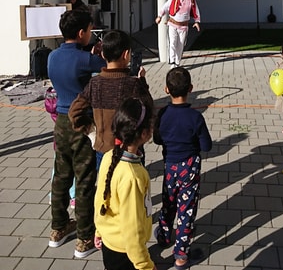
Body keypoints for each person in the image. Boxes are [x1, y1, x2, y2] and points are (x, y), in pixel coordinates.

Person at [47, 9, 106, 258]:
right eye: (90, 30)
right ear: (82, 33)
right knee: (83, 179)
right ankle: (84, 237)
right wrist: (97, 52)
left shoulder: (52, 56)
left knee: (61, 175)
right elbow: (106, 64)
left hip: (60, 121)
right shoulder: (85, 59)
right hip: (82, 122)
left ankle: (58, 228)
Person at [153, 67, 212, 270]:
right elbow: (206, 146)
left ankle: (163, 235)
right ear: (191, 89)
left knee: (168, 201)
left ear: (166, 89)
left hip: (170, 164)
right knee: (186, 210)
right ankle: (181, 255)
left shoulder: (163, 114)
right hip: (190, 167)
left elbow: (157, 139)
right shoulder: (195, 118)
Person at [68, 29, 153, 170]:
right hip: (130, 150)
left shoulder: (94, 84)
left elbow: (74, 112)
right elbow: (149, 109)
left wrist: (92, 132)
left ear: (102, 54)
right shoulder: (134, 85)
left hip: (103, 150)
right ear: (126, 55)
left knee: (106, 188)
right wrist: (142, 82)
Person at [94, 98, 157, 270]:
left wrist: (99, 230)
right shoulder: (133, 177)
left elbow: (100, 197)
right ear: (144, 134)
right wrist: (145, 266)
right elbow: (133, 229)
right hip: (125, 252)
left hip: (109, 241)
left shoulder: (109, 156)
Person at [155, 0, 201, 68]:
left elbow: (196, 11)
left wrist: (197, 22)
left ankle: (177, 62)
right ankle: (172, 62)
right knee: (172, 43)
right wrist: (159, 16)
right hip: (172, 24)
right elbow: (165, 7)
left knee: (180, 45)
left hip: (183, 27)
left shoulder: (191, 0)